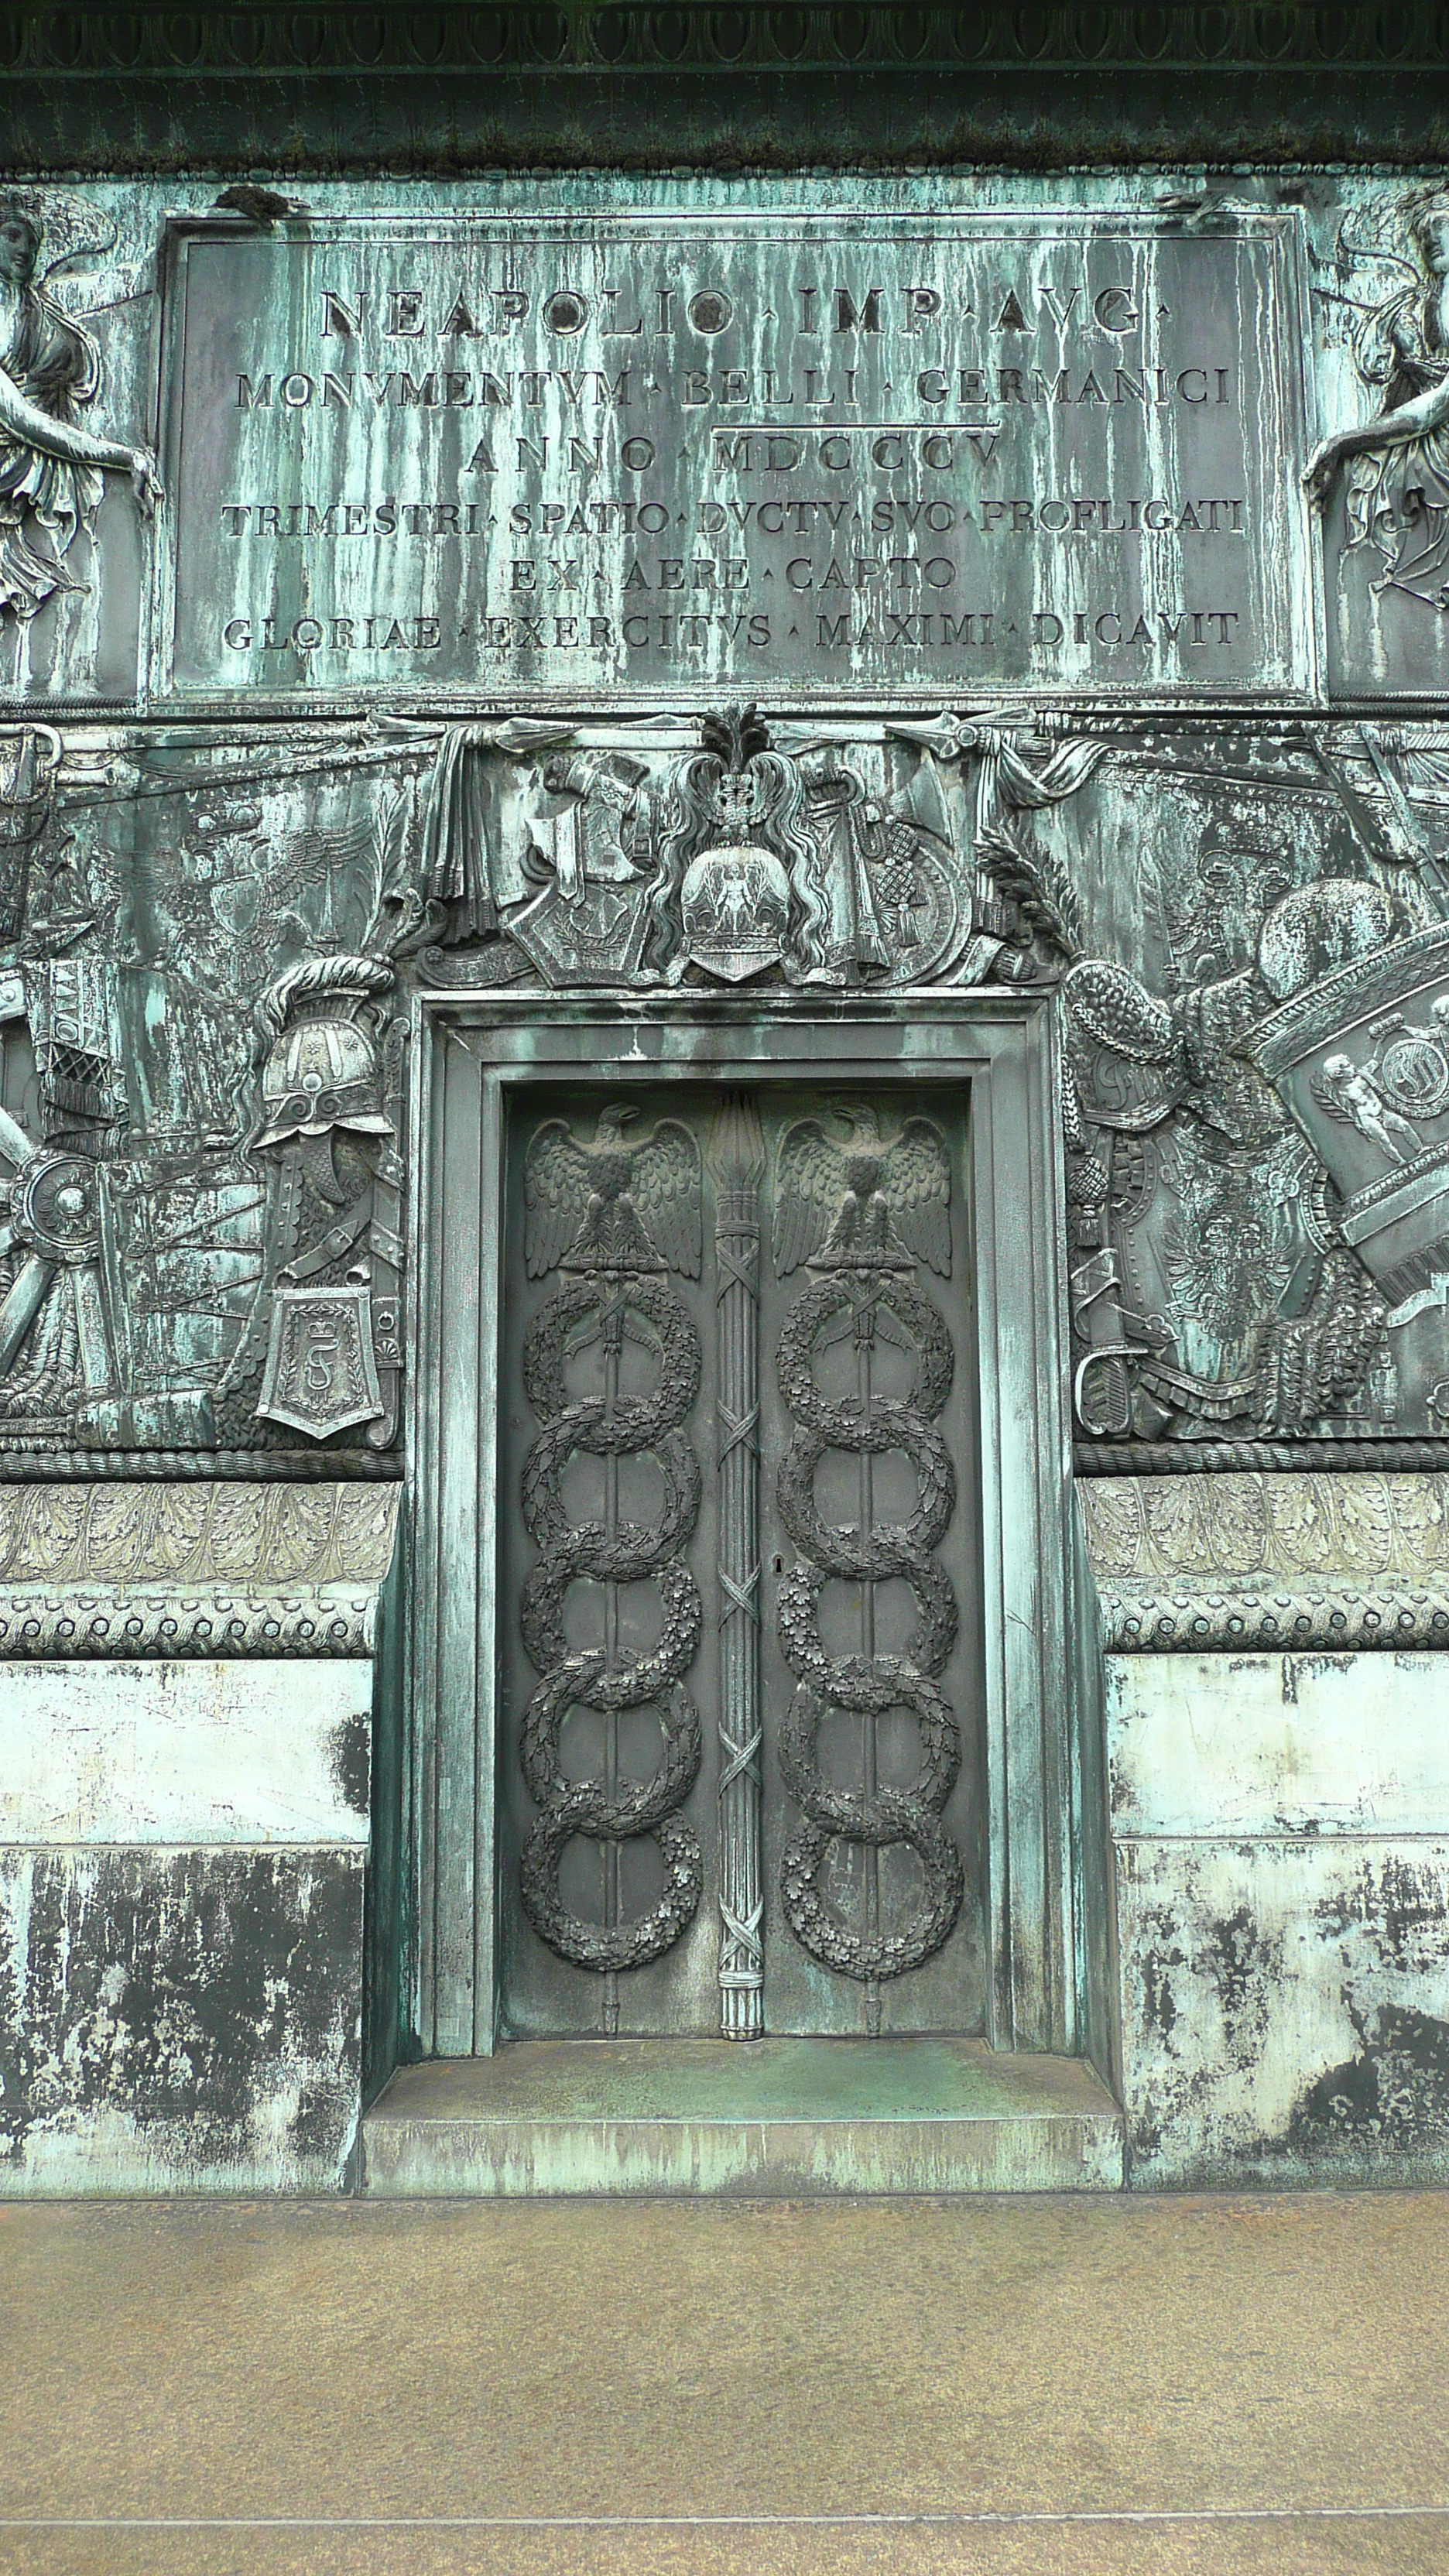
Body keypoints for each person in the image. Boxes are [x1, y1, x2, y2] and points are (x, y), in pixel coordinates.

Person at [0, 192, 161, 633]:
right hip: (23, 472)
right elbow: (21, 421)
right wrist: (123, 456)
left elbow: (110, 289)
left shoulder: (40, 309)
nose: (25, 252)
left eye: (32, 244)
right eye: (12, 236)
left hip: (41, 475)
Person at [1303, 191, 1449, 608]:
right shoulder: (1423, 303)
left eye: (1441, 226)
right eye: (1423, 233)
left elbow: (1438, 405)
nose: (1429, 239)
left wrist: (1341, 443)